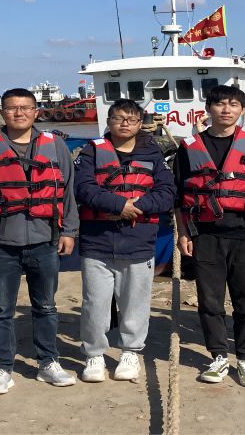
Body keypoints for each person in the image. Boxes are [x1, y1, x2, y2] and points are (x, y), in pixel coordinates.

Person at [0, 88, 79, 394]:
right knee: (1, 309)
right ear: (2, 112)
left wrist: (69, 230)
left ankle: (48, 363)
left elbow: (68, 190)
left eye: (26, 107)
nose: (19, 113)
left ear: (36, 112)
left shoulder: (55, 145)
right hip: (1, 242)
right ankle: (2, 368)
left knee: (46, 306)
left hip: (46, 240)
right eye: (12, 108)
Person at [175, 85, 245, 388]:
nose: (226, 109)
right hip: (204, 234)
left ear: (242, 110)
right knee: (210, 300)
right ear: (208, 108)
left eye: (233, 104)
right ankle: (218, 355)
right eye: (219, 104)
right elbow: (179, 196)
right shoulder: (188, 147)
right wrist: (183, 233)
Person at [73, 99, 176, 383]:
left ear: (140, 123)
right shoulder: (91, 152)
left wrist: (136, 206)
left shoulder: (153, 155)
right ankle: (94, 354)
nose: (125, 123)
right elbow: (83, 188)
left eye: (131, 119)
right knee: (95, 303)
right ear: (109, 121)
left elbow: (167, 193)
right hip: (97, 241)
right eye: (119, 118)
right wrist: (119, 205)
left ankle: (130, 352)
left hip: (139, 240)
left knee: (135, 302)